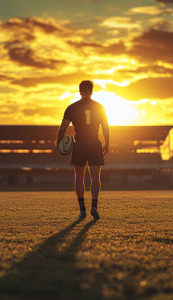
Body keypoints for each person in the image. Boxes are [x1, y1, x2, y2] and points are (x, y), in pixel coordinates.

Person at [56, 80, 109, 220]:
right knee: (95, 177)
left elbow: (62, 129)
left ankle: (82, 210)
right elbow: (105, 128)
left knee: (79, 177)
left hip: (79, 144)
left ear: (80, 91)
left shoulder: (72, 108)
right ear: (91, 91)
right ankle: (94, 206)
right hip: (94, 143)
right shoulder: (100, 107)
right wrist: (107, 143)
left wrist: (59, 144)